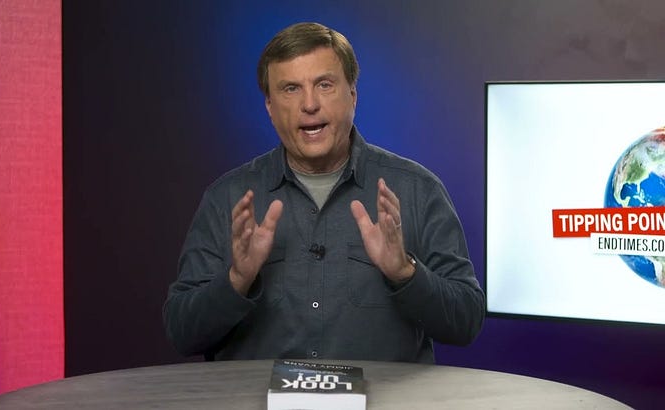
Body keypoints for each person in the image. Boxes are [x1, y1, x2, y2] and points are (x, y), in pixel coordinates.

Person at [163, 22, 484, 363]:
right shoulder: (226, 198)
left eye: (324, 85)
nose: (310, 104)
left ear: (353, 95)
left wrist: (405, 273)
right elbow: (182, 332)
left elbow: (465, 322)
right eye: (291, 89)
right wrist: (237, 280)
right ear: (269, 106)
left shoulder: (418, 189)